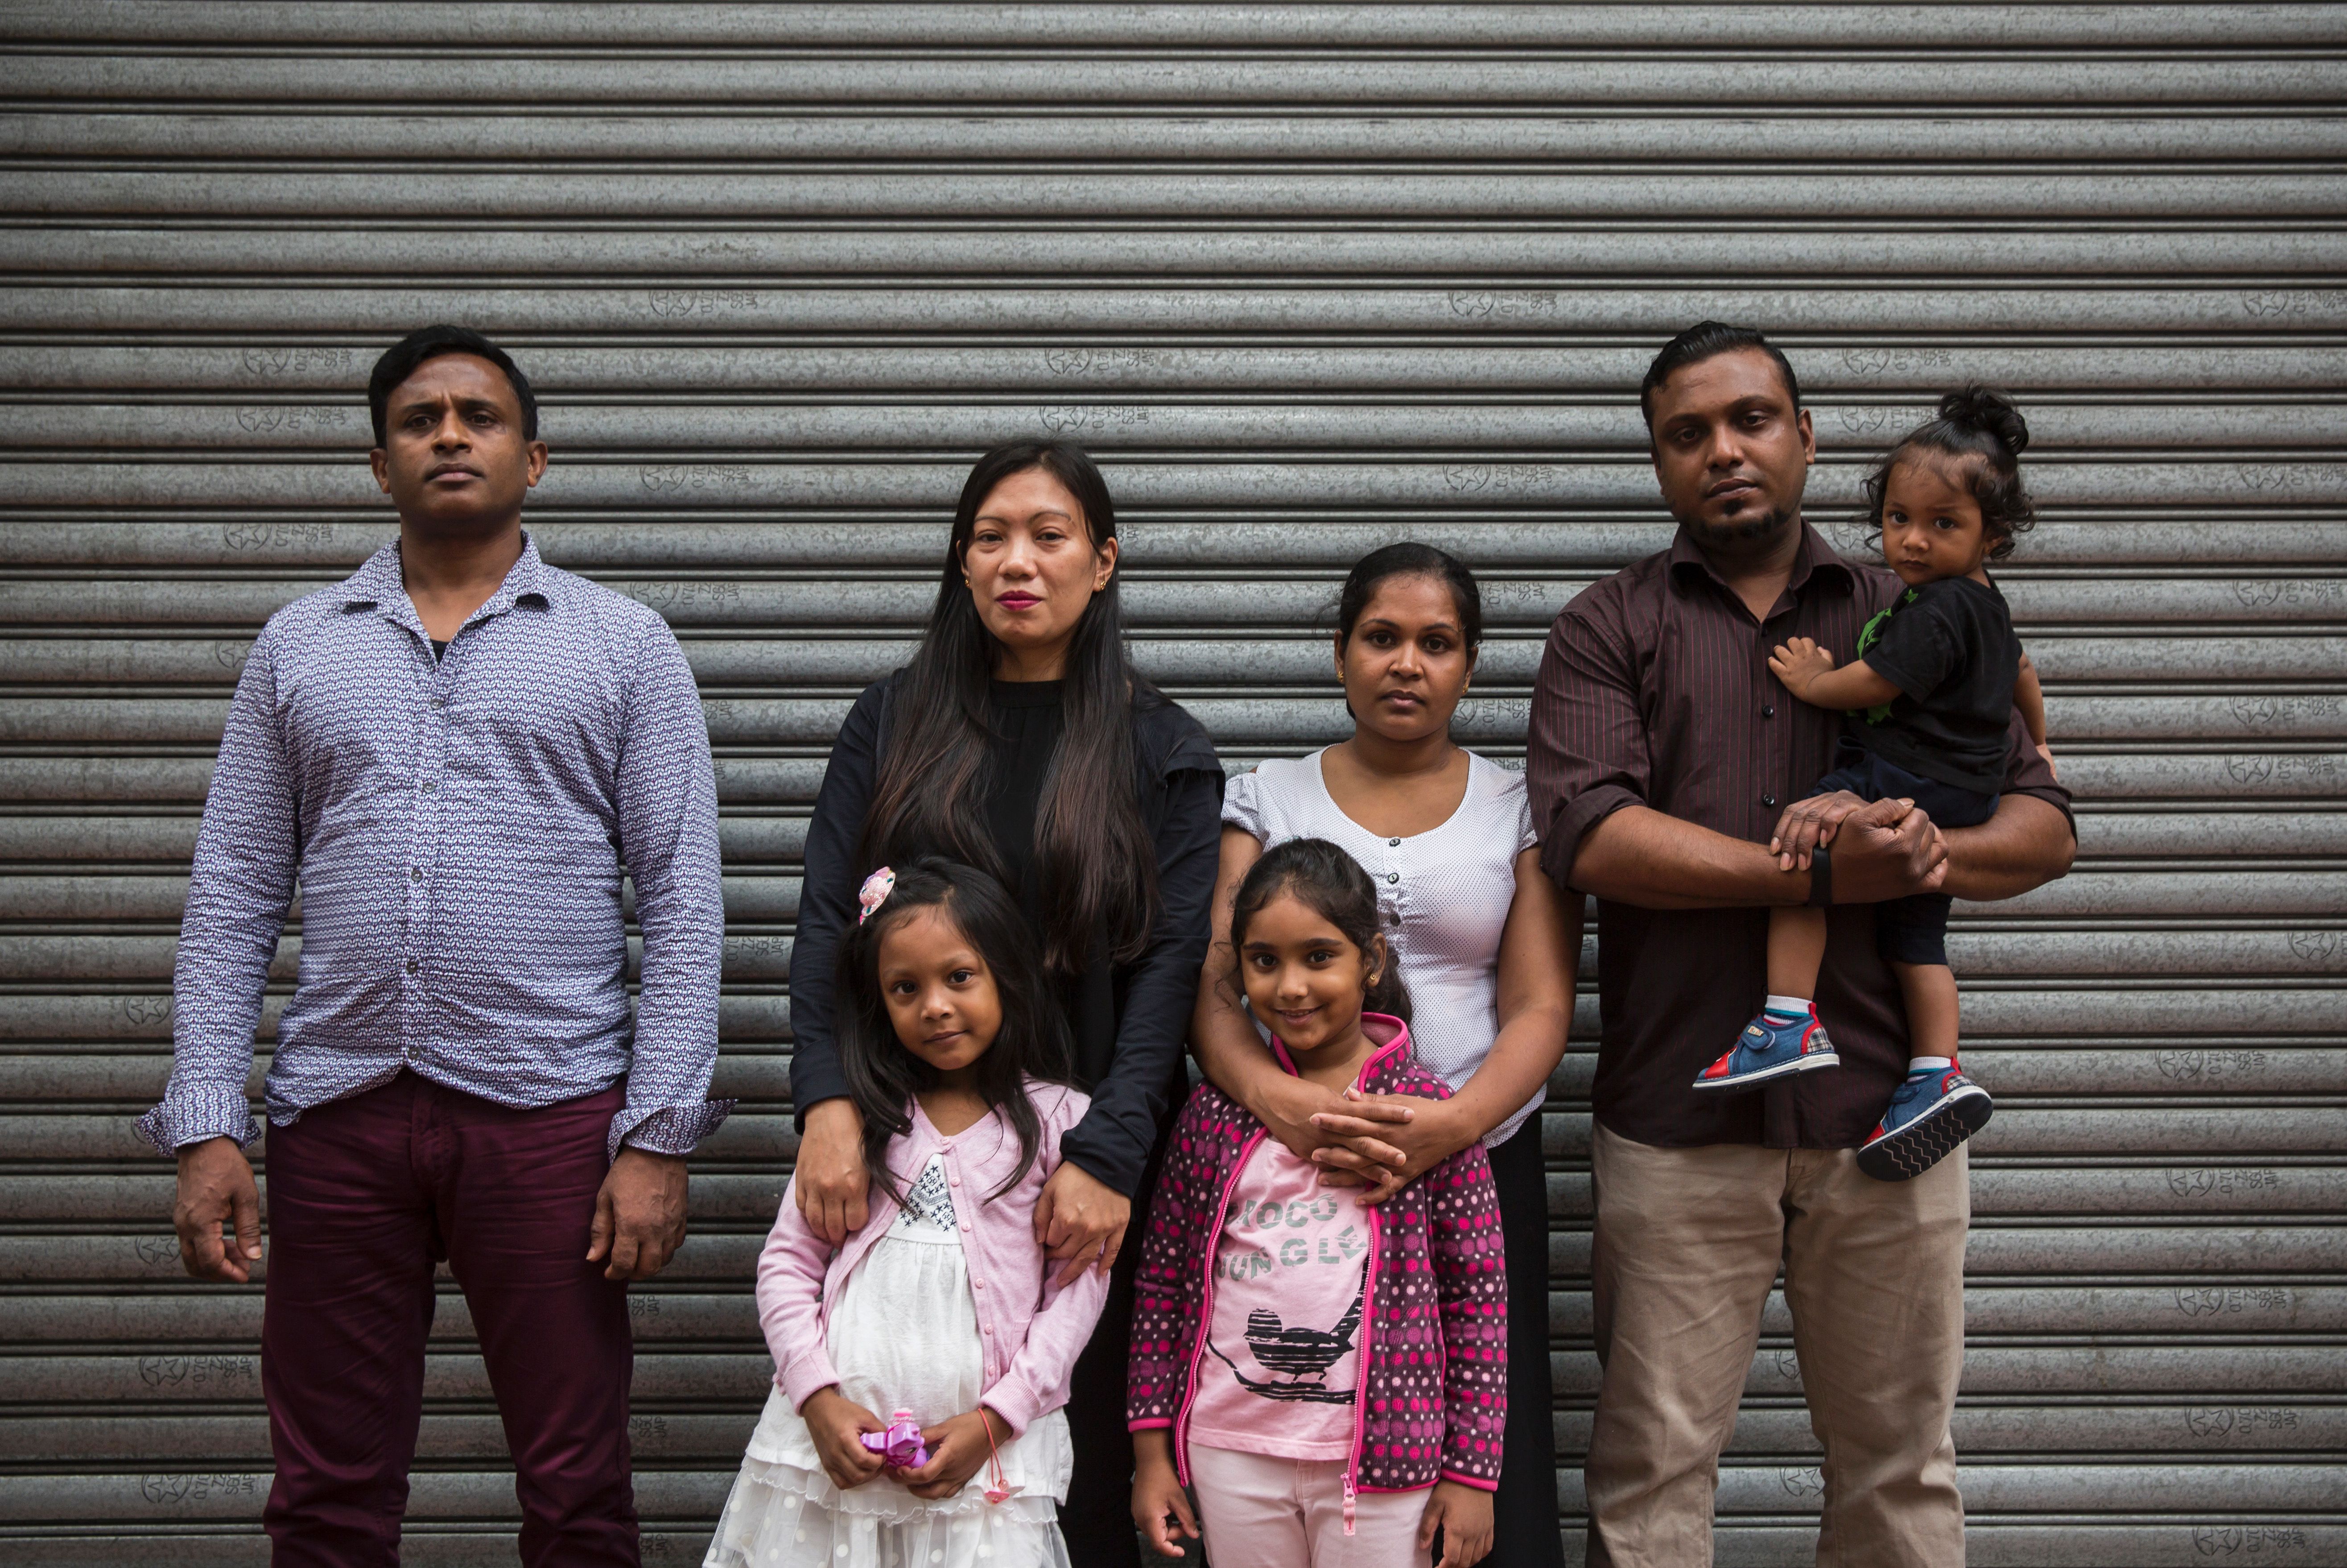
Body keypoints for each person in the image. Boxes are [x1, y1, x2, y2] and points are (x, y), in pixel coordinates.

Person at [140, 324, 727, 1567]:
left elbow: (681, 901)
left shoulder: (623, 646)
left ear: (535, 458)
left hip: (552, 1115)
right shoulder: (300, 646)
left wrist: (659, 1133)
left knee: (576, 1490)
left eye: (479, 416)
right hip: (339, 1116)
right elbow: (235, 887)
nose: (450, 435)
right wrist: (206, 1120)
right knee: (326, 1494)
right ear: (378, 463)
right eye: (420, 419)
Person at [1528, 322, 2075, 1567]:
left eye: (1752, 419)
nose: (1724, 450)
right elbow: (1593, 834)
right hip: (1677, 1120)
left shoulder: (1924, 608)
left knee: (1900, 1479)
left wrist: (1929, 850)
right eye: (1688, 433)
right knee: (1652, 1476)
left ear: (1809, 437)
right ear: (1661, 463)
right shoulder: (1610, 625)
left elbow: (2043, 825)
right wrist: (1823, 861)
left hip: (1891, 1116)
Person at [785, 440, 1222, 1565]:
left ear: (1105, 561)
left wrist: (1112, 1156)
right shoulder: (890, 724)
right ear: (961, 564)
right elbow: (824, 928)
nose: (1016, 561)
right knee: (902, 1474)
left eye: (1049, 534)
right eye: (990, 537)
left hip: (1079, 1176)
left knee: (1065, 1479)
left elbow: (1172, 969)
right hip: (907, 1157)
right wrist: (826, 1104)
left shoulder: (1159, 747)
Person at [1189, 542, 1576, 1566]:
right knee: (1303, 1417)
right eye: (1382, 638)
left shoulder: (1516, 808)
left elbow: (1540, 1004)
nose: (1407, 663)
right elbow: (1216, 987)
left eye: (1436, 643)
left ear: (1469, 663)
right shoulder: (1266, 798)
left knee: (1486, 1442)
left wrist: (1453, 1126)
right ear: (1339, 653)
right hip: (1296, 1168)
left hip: (1479, 1160)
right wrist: (1281, 1106)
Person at [711, 859, 1110, 1568]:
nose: (934, 1005)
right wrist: (817, 1400)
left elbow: (1075, 1296)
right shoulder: (857, 1123)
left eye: (959, 977)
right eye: (906, 988)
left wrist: (998, 1420)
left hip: (988, 1464)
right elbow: (785, 1264)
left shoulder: (1062, 1123)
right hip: (831, 1465)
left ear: (1008, 976)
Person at [1704, 388, 2054, 1183]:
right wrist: (2040, 741)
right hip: (1964, 795)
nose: (1914, 542)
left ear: (1992, 536)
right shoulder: (1989, 608)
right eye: (1899, 519)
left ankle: (1789, 1019)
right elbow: (2026, 675)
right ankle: (1936, 1071)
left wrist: (1816, 680)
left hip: (1900, 776)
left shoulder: (1935, 609)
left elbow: (1876, 682)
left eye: (1943, 525)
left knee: (1803, 861)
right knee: (1917, 940)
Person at [1130, 839, 1506, 1568]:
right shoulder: (1216, 1116)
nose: (1292, 987)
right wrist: (1153, 1454)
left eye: (1319, 957)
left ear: (1371, 959)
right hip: (1228, 1448)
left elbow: (1479, 1300)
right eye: (1264, 961)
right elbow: (1162, 1286)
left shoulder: (1426, 1115)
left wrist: (1472, 1475)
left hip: (1389, 1458)